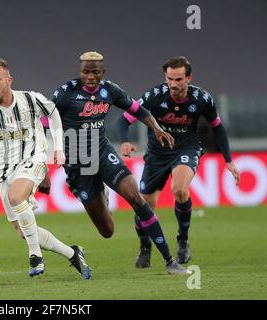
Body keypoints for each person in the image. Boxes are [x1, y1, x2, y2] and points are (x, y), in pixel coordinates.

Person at [52, 51, 188, 274]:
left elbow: (138, 110)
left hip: (103, 152)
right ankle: (102, 195)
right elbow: (44, 122)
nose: (90, 77)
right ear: (80, 72)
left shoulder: (110, 90)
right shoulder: (66, 93)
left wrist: (156, 128)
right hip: (78, 163)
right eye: (85, 72)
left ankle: (170, 261)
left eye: (95, 72)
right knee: (107, 230)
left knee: (136, 197)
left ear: (102, 73)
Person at [0, 58, 92, 279]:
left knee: (16, 197)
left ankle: (35, 256)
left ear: (9, 80)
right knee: (22, 231)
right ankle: (73, 253)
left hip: (34, 158)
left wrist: (57, 148)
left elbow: (54, 115)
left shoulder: (30, 99)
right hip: (3, 171)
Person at [117, 56, 241, 267]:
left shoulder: (202, 99)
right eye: (169, 79)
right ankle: (144, 247)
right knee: (143, 206)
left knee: (180, 190)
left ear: (189, 77)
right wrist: (125, 141)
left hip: (186, 148)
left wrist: (228, 160)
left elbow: (217, 127)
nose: (173, 84)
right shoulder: (154, 96)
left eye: (178, 79)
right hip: (157, 154)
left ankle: (182, 240)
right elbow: (124, 119)